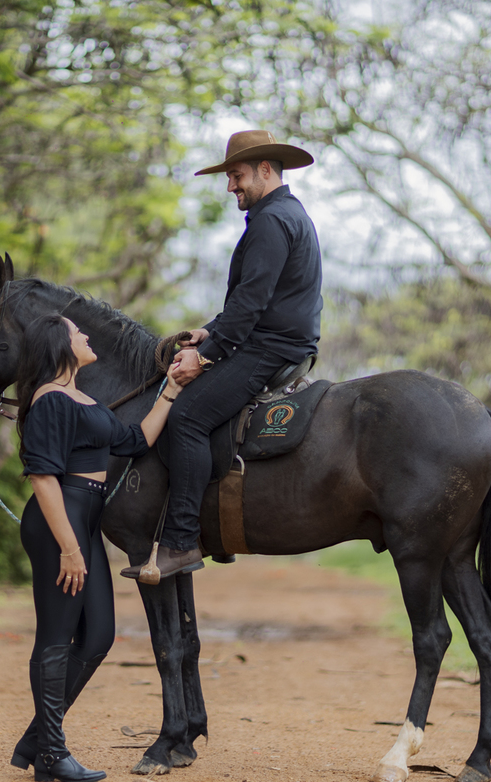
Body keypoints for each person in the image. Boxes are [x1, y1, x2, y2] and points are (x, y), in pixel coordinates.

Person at [122, 129, 323, 581]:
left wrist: (205, 355)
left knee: (186, 417)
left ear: (266, 171)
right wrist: (206, 331)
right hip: (275, 341)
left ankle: (181, 542)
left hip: (269, 348)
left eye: (237, 176)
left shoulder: (272, 220)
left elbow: (251, 306)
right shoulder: (286, 213)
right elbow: (249, 304)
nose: (231, 186)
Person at [11, 313, 183, 782]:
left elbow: (136, 440)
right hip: (58, 523)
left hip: (86, 518)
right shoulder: (49, 400)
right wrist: (69, 547)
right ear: (59, 346)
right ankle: (51, 753)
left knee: (99, 635)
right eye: (76, 332)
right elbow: (43, 477)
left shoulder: (83, 398)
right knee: (56, 634)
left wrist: (171, 388)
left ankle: (37, 739)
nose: (85, 336)